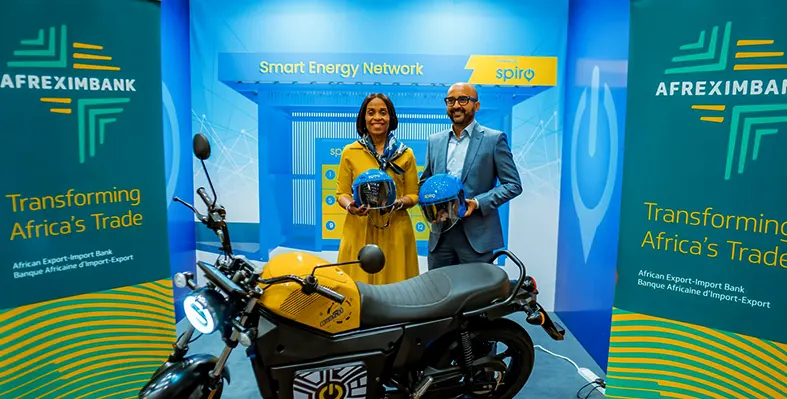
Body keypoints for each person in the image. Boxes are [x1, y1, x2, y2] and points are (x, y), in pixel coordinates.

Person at [419, 82, 522, 270]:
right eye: (450, 101)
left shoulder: (494, 139)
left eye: (463, 100)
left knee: (477, 296)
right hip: (440, 236)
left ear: (476, 105)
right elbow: (426, 181)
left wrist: (477, 203)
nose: (456, 105)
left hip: (477, 237)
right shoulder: (435, 141)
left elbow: (513, 184)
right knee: (438, 294)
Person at [335, 93, 420, 284]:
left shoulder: (406, 154)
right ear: (363, 118)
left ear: (391, 118)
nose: (377, 118)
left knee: (396, 285)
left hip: (395, 227)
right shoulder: (350, 152)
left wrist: (398, 203)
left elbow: (413, 195)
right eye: (371, 112)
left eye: (383, 112)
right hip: (359, 227)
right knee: (358, 287)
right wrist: (351, 207)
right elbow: (342, 193)